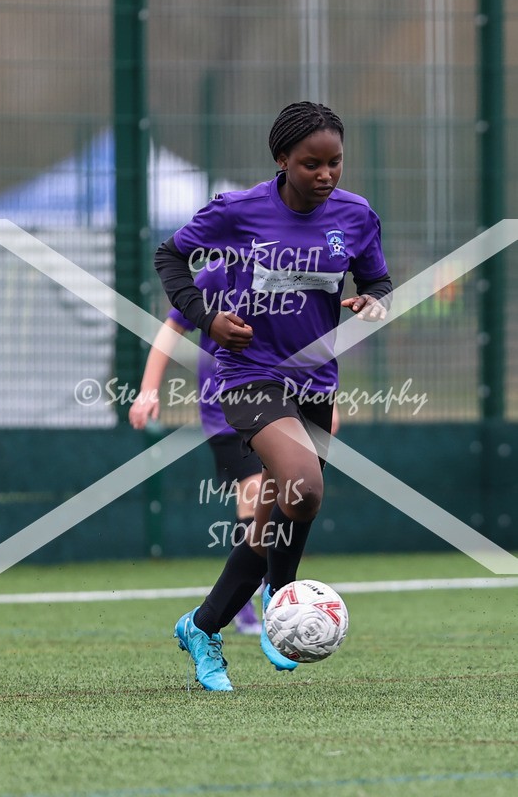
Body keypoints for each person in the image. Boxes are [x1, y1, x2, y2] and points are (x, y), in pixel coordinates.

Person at [154, 101, 392, 691]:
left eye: (335, 163)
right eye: (312, 164)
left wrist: (373, 299)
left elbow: (376, 278)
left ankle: (203, 625)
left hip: (315, 381)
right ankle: (280, 600)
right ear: (283, 160)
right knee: (303, 488)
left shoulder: (357, 216)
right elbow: (171, 257)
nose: (326, 175)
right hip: (248, 375)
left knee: (280, 516)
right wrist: (207, 318)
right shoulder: (239, 212)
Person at [129, 258, 264, 634]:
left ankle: (266, 591)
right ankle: (247, 598)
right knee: (253, 489)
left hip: (277, 401)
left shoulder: (292, 269)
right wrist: (148, 389)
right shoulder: (217, 273)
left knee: (279, 495)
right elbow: (172, 326)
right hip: (225, 409)